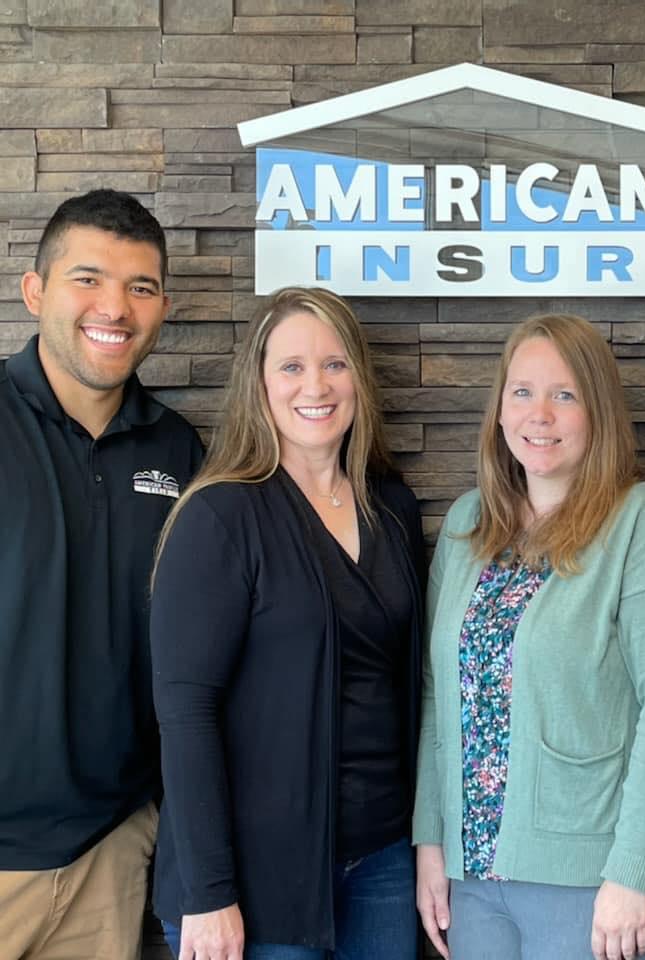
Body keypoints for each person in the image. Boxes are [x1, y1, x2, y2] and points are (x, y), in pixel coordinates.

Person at [413, 314, 645, 960]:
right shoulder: (470, 524)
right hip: (476, 873)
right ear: (498, 409)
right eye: (521, 392)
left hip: (597, 879)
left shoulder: (642, 523)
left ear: (598, 411)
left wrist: (631, 873)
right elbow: (438, 695)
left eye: (564, 394)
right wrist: (431, 843)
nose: (538, 415)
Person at [149, 287, 425, 960]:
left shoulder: (391, 509)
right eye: (292, 367)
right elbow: (186, 714)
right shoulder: (220, 516)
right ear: (260, 383)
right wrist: (209, 893)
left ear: (359, 376)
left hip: (382, 860)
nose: (316, 385)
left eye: (335, 364)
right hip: (256, 877)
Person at [0, 190, 203, 960]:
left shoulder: (178, 452)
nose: (114, 307)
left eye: (140, 287)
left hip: (110, 858)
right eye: (88, 279)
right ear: (35, 290)